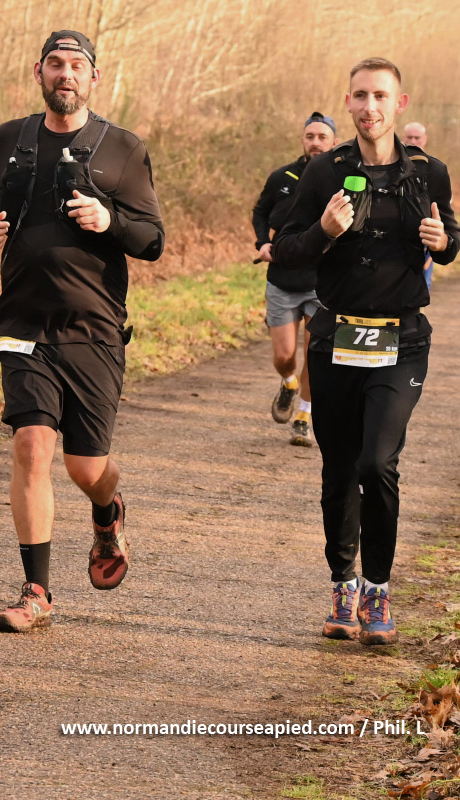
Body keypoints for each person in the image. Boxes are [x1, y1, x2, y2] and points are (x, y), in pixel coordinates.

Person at [0, 30, 164, 633]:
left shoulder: (123, 148)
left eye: (77, 65)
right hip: (23, 322)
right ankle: (37, 592)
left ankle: (107, 511)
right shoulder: (10, 138)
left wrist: (110, 219)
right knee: (31, 445)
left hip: (94, 328)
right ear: (39, 72)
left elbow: (152, 239)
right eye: (56, 64)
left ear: (94, 77)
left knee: (86, 467)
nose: (66, 74)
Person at [274, 58, 459, 645]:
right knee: (338, 468)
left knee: (376, 464)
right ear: (349, 103)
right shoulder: (324, 171)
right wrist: (324, 232)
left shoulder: (429, 173)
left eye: (380, 96)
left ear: (399, 104)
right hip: (335, 338)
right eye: (360, 96)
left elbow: (451, 239)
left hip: (401, 341)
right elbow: (286, 251)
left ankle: (377, 589)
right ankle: (343, 584)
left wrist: (444, 242)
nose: (370, 106)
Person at [252, 112, 337, 447]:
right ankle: (289, 382)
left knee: (315, 356)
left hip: (323, 282)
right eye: (310, 136)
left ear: (334, 141)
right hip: (283, 278)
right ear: (303, 140)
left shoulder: (342, 177)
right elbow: (261, 211)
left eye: (322, 137)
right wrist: (263, 242)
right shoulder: (282, 176)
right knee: (284, 356)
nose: (316, 142)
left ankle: (304, 415)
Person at [403, 122, 434, 290]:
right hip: (399, 236)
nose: (413, 141)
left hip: (425, 237)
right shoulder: (393, 166)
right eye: (409, 137)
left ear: (425, 139)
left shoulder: (435, 169)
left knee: (422, 284)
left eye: (417, 138)